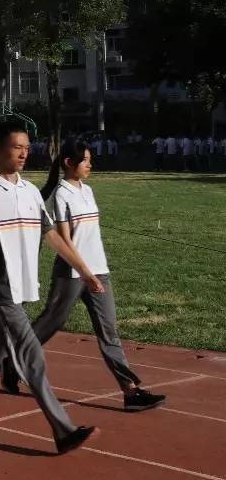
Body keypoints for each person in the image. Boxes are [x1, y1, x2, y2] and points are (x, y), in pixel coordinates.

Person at [0, 120, 99, 454]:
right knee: (32, 355)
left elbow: (53, 236)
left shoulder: (30, 192)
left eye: (27, 148)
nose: (23, 153)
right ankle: (63, 429)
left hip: (26, 287)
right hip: (3, 292)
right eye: (17, 147)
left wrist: (84, 270)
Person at [13, 139, 165, 411]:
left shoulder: (88, 190)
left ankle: (130, 391)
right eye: (86, 160)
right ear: (69, 163)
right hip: (71, 273)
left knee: (109, 332)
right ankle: (12, 360)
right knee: (50, 322)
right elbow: (64, 239)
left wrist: (95, 272)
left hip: (99, 271)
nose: (90, 164)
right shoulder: (61, 194)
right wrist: (84, 272)